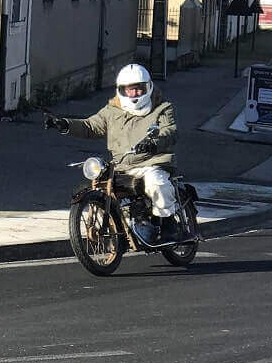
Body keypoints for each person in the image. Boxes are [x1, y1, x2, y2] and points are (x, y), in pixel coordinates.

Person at [45, 63, 186, 244]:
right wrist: (64, 124)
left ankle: (168, 223)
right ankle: (126, 222)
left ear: (148, 87)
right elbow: (91, 126)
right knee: (104, 186)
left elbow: (170, 131)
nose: (134, 94)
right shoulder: (112, 111)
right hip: (121, 165)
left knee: (156, 183)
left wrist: (153, 144)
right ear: (121, 90)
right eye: (129, 90)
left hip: (152, 162)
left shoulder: (162, 108)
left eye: (138, 89)